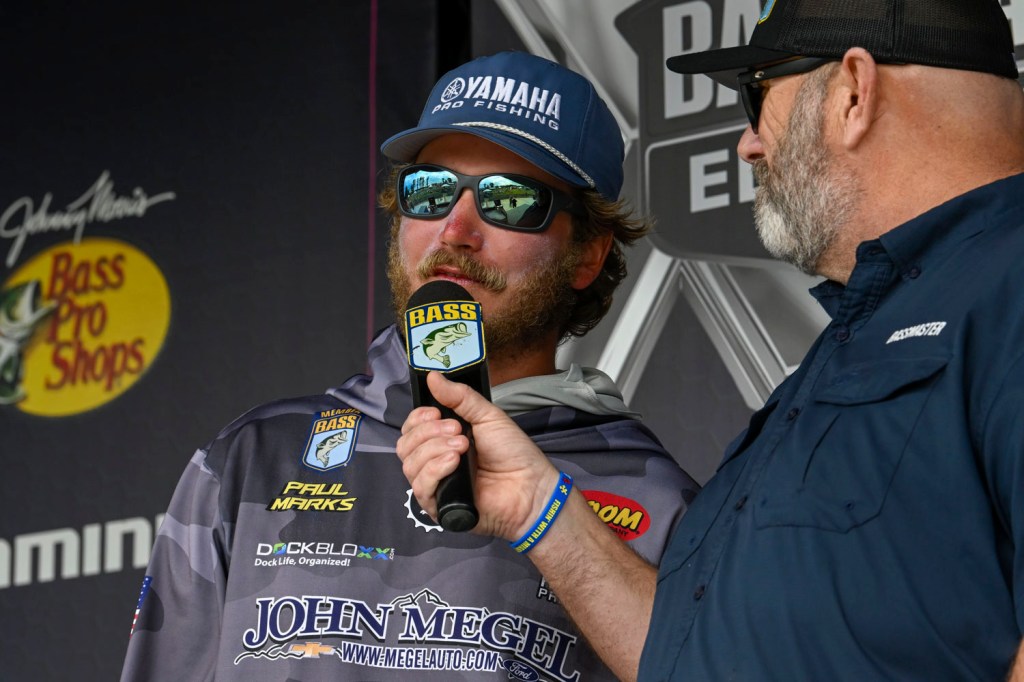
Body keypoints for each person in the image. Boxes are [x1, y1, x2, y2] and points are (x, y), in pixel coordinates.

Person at [397, 0, 1024, 679]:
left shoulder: (1008, 290)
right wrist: (540, 510)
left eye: (758, 97)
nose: (747, 144)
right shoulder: (854, 340)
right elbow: (694, 658)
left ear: (853, 91)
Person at [119, 51, 699, 682]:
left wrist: (551, 519)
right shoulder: (254, 457)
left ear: (588, 254)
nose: (455, 229)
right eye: (430, 191)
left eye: (508, 200)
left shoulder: (660, 502)